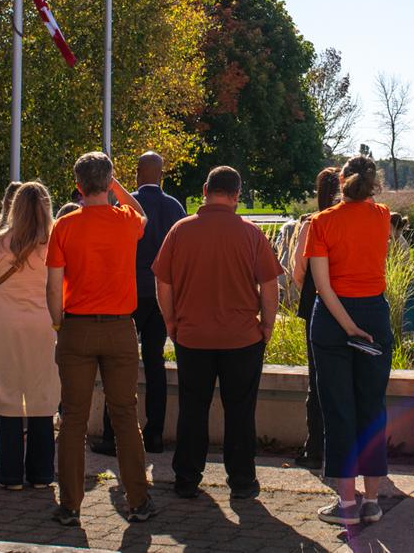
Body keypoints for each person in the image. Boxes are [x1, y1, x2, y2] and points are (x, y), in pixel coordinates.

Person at [154, 165, 281, 499]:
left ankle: (186, 477)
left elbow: (162, 282)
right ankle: (241, 480)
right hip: (242, 338)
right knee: (240, 411)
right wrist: (267, 326)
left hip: (192, 336)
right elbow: (270, 286)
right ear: (237, 195)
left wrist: (170, 321)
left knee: (192, 408)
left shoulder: (180, 231)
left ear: (206, 188)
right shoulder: (251, 233)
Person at [46, 152, 154, 526]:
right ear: (108, 185)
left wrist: (59, 323)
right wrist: (117, 186)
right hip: (120, 326)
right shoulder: (125, 220)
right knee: (125, 415)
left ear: (77, 186)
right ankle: (138, 500)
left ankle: (71, 504)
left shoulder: (64, 226)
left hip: (76, 326)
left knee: (73, 418)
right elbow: (141, 211)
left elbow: (53, 284)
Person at [306, 155, 393, 527]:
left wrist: (346, 326)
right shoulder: (382, 216)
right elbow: (369, 206)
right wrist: (358, 326)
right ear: (374, 184)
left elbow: (323, 287)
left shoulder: (321, 223)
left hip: (332, 321)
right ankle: (372, 501)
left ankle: (345, 504)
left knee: (338, 409)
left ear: (340, 181)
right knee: (372, 407)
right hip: (373, 315)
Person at [94, 151, 185, 457]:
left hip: (127, 293)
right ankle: (155, 434)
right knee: (155, 361)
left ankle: (111, 435)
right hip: (160, 294)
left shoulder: (123, 205)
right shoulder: (175, 208)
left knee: (119, 363)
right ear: (161, 175)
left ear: (137, 174)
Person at [0, 181, 60, 491]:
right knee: (43, 396)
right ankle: (41, 473)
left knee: (8, 396)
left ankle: (10, 474)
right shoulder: (55, 243)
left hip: (6, 326)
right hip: (45, 324)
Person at [290, 167, 339, 469]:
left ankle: (315, 446)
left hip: (317, 304)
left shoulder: (312, 224)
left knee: (317, 378)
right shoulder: (353, 223)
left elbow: (298, 270)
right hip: (351, 301)